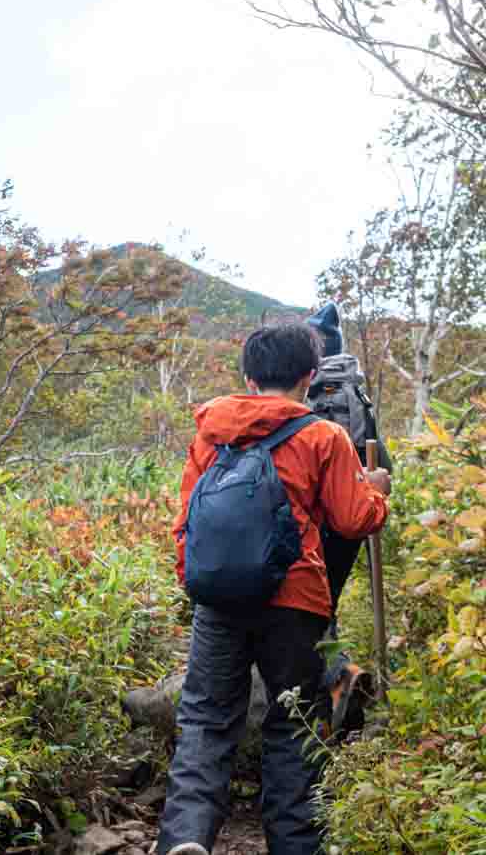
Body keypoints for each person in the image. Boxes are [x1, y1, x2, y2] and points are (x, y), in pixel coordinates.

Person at [157, 323, 391, 855]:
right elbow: (354, 520)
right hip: (295, 601)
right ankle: (294, 846)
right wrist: (376, 493)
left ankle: (186, 839)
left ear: (248, 376)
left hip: (218, 600)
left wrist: (200, 586)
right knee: (295, 724)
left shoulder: (212, 431)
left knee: (205, 721)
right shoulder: (322, 436)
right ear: (310, 377)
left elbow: (187, 521)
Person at [304, 303, 394, 732]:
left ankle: (339, 682)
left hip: (312, 516)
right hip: (355, 512)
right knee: (327, 601)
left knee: (312, 609)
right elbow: (384, 462)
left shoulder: (302, 389)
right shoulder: (355, 393)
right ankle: (339, 687)